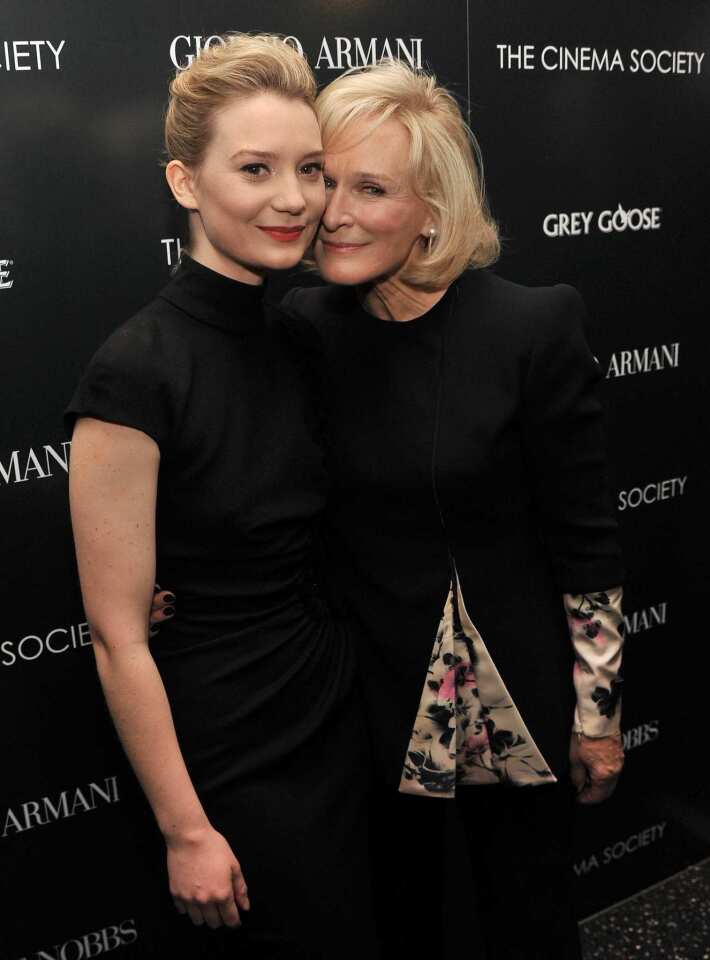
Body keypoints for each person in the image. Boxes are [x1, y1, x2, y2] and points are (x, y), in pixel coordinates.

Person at [278, 61, 626, 958]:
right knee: (404, 925)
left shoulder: (531, 326)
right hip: (371, 702)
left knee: (526, 922)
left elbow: (586, 539)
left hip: (513, 707)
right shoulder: (305, 331)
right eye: (325, 179)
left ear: (432, 210)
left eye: (372, 187)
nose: (335, 211)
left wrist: (600, 717)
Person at [65, 35, 375, 958]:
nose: (294, 198)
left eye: (311, 170)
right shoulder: (135, 373)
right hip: (224, 754)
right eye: (255, 169)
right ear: (186, 183)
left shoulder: (308, 334)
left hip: (335, 715)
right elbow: (120, 638)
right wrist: (185, 829)